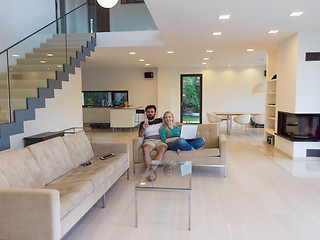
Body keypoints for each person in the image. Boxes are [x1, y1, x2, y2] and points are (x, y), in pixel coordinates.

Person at [139, 105, 167, 181]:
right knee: (145, 149)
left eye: (152, 112)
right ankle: (151, 171)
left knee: (163, 149)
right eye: (148, 112)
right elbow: (140, 135)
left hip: (160, 140)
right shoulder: (143, 123)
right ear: (146, 113)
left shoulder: (160, 121)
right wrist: (143, 129)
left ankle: (151, 170)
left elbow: (170, 122)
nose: (150, 113)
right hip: (149, 140)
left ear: (155, 113)